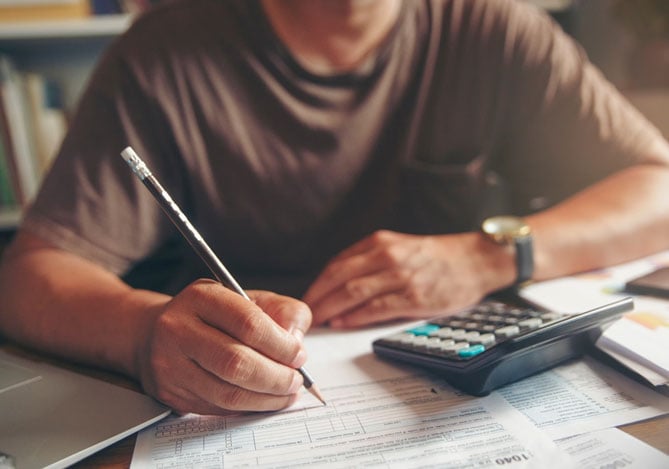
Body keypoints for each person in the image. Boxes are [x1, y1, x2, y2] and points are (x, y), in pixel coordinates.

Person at [1, 0, 669, 416]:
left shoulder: (495, 27)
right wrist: (144, 332)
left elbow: (657, 187)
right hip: (226, 405)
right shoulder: (160, 55)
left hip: (449, 400)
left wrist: (489, 251)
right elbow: (31, 275)